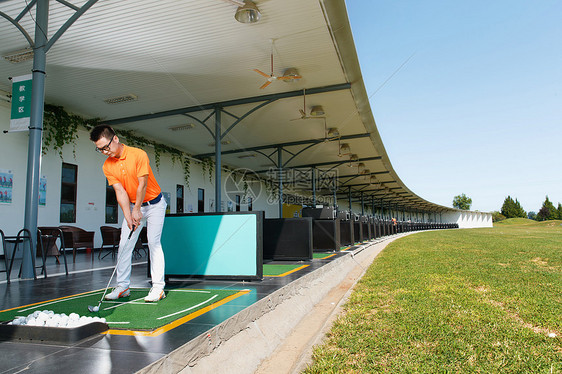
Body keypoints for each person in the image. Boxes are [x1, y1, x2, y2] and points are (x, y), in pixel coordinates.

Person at [90, 125, 166, 302]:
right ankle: (122, 287)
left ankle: (158, 288)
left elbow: (142, 185)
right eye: (99, 149)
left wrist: (138, 209)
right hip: (133, 206)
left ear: (115, 139)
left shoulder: (138, 154)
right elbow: (120, 192)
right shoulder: (107, 166)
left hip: (155, 204)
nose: (104, 152)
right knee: (124, 244)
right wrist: (128, 214)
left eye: (105, 147)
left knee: (153, 242)